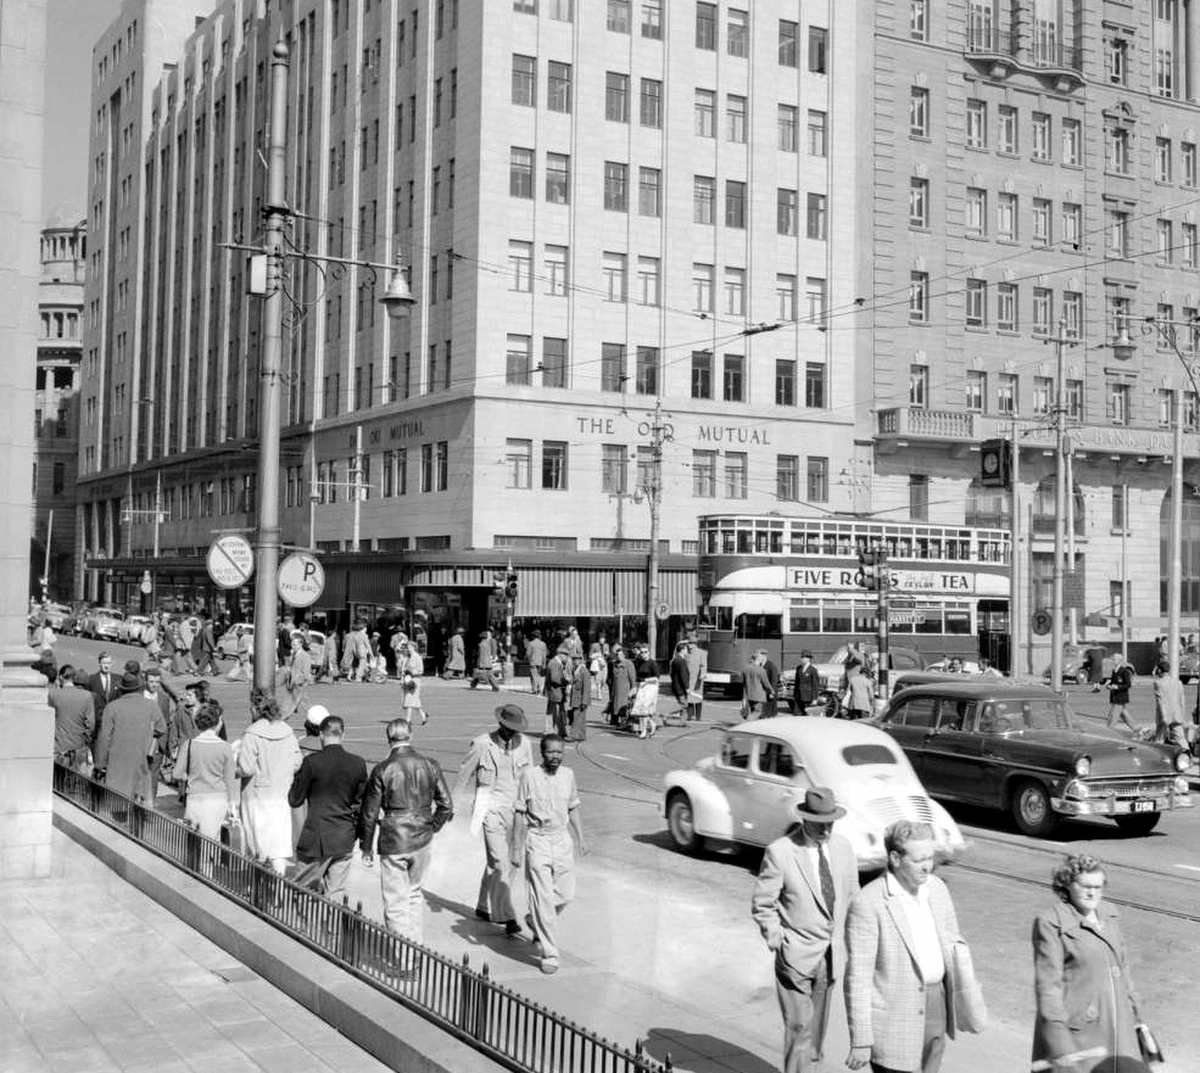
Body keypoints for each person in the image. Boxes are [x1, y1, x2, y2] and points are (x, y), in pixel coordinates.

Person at [752, 788, 860, 1073]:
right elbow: (764, 903)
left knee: (816, 1037)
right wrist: (777, 939)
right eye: (819, 823)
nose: (826, 829)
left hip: (831, 957)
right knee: (800, 1028)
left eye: (830, 822)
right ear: (804, 819)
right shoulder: (781, 852)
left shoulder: (844, 848)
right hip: (796, 958)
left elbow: (853, 897)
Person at [845, 820, 965, 1073]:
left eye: (931, 858)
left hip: (936, 1007)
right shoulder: (869, 903)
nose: (928, 866)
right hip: (893, 1020)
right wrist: (861, 1039)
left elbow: (954, 944)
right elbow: (858, 978)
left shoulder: (938, 889)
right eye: (919, 859)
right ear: (896, 858)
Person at [1032, 854, 1148, 1073]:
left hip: (1120, 1032)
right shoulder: (1052, 922)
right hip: (1079, 1040)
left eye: (1098, 886)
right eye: (1085, 886)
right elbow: (1048, 988)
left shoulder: (1110, 915)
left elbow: (1124, 970)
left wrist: (1138, 1019)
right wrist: (1060, 1044)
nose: (1092, 892)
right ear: (1066, 884)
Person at [360, 718, 454, 942]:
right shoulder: (430, 764)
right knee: (414, 895)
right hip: (422, 835)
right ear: (410, 736)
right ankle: (416, 946)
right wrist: (432, 827)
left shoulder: (382, 769)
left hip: (394, 836)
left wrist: (366, 846)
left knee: (395, 902)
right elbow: (446, 805)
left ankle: (405, 957)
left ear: (388, 738)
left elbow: (370, 813)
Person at [455, 703, 535, 936]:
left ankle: (482, 905)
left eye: (516, 728)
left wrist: (534, 807)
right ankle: (507, 916)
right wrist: (452, 804)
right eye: (509, 728)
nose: (513, 732)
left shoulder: (525, 745)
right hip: (489, 807)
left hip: (517, 810)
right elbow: (464, 773)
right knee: (499, 861)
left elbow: (530, 778)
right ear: (501, 724)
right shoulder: (482, 743)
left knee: (505, 863)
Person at [511, 734, 586, 975]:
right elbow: (520, 813)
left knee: (565, 893)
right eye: (551, 752)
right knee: (542, 898)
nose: (555, 757)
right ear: (542, 753)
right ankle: (550, 953)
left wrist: (580, 838)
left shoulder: (568, 775)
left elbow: (573, 806)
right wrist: (516, 847)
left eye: (559, 752)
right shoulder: (529, 777)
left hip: (561, 839)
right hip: (538, 840)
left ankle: (536, 919)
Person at [288, 712, 368, 901]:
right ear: (343, 735)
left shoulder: (312, 762)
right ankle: (331, 928)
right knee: (336, 891)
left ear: (321, 735)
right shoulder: (358, 763)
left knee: (304, 889)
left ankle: (305, 926)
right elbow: (361, 802)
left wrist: (295, 776)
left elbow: (295, 799)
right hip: (344, 835)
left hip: (316, 835)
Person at [237, 690, 303, 873]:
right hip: (281, 792)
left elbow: (247, 768)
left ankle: (257, 885)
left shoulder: (253, 733)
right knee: (279, 845)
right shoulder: (287, 732)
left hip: (257, 795)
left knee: (257, 841)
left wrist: (235, 769)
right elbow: (297, 761)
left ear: (254, 709)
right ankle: (279, 887)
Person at [93, 671, 168, 805]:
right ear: (139, 687)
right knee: (140, 800)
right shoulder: (151, 705)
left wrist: (100, 764)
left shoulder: (112, 707)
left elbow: (104, 738)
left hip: (117, 759)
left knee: (117, 802)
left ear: (121, 689)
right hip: (141, 758)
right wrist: (147, 734)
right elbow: (162, 728)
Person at [175, 699, 238, 840]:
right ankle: (209, 862)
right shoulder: (225, 747)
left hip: (194, 798)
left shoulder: (189, 745)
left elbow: (177, 773)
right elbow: (230, 780)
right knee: (212, 840)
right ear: (217, 724)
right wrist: (233, 805)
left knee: (194, 840)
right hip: (217, 799)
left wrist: (190, 775)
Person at [49, 665, 96, 771]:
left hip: (58, 747)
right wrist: (85, 740)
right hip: (78, 748)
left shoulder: (53, 694)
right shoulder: (87, 696)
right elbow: (90, 725)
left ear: (61, 677)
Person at [1151, 659, 1186, 746]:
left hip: (1165, 716)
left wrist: (1164, 716)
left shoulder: (1158, 683)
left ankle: (1158, 757)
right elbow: (1182, 701)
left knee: (1159, 738)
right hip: (1177, 715)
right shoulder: (1178, 682)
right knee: (1180, 738)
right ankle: (1187, 754)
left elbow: (1161, 701)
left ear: (1159, 670)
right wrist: (1182, 715)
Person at [630, 643, 661, 738]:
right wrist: (634, 688)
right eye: (642, 652)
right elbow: (637, 677)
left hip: (651, 688)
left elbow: (657, 678)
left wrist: (646, 681)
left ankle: (643, 731)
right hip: (641, 687)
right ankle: (652, 724)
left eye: (645, 652)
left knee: (644, 709)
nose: (643, 654)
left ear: (649, 653)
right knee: (640, 710)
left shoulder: (653, 663)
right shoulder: (639, 662)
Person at [282, 632, 312, 723]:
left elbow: (306, 674)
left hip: (299, 686)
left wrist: (298, 681)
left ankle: (280, 722)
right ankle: (318, 721)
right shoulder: (295, 655)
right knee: (304, 706)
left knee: (290, 705)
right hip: (294, 685)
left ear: (300, 644)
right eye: (292, 644)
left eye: (294, 644)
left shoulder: (305, 656)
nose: (292, 646)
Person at [396, 641, 427, 725]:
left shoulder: (417, 657)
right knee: (414, 700)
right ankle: (423, 715)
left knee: (410, 699)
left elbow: (421, 670)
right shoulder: (408, 657)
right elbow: (403, 668)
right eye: (407, 647)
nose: (408, 649)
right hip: (408, 679)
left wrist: (412, 672)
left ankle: (408, 720)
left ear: (413, 647)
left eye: (409, 647)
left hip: (415, 680)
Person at [544, 644, 571, 736]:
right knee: (556, 713)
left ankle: (559, 731)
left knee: (557, 712)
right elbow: (555, 679)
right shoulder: (554, 663)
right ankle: (554, 732)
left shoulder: (556, 662)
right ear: (560, 654)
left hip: (556, 692)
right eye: (566, 655)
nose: (567, 658)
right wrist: (566, 682)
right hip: (555, 692)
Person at [607, 645, 636, 727]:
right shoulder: (614, 664)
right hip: (615, 689)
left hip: (625, 690)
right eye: (617, 654)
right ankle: (615, 720)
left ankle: (624, 723)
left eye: (620, 654)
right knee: (615, 705)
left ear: (624, 655)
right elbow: (612, 677)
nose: (618, 656)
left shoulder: (629, 664)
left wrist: (633, 688)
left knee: (624, 706)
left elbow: (632, 677)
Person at [1106, 655, 1135, 733]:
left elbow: (1128, 684)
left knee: (1112, 717)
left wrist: (1117, 687)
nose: (1112, 661)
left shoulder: (1124, 671)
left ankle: (1108, 732)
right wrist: (1109, 685)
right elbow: (1113, 682)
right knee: (1125, 717)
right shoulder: (1114, 671)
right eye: (1112, 659)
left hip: (1120, 698)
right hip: (1115, 697)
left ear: (1119, 661)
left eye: (1114, 659)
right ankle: (1137, 730)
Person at [567, 651, 591, 741]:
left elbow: (587, 688)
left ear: (581, 660)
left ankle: (573, 735)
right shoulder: (576, 671)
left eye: (576, 660)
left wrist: (584, 702)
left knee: (576, 718)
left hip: (580, 700)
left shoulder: (584, 672)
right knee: (580, 718)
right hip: (576, 699)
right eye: (573, 660)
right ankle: (581, 735)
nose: (574, 661)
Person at [743, 650, 773, 719]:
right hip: (759, 696)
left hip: (749, 694)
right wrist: (772, 691)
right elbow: (766, 683)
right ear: (759, 660)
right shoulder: (761, 670)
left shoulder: (746, 668)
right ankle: (747, 723)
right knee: (757, 712)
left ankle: (751, 724)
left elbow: (743, 681)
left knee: (753, 710)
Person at [686, 635, 707, 721]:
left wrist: (702, 674)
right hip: (688, 678)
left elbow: (703, 665)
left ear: (695, 644)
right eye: (689, 643)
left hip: (697, 679)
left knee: (698, 697)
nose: (689, 645)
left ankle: (698, 716)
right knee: (689, 698)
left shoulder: (702, 653)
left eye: (691, 643)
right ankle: (690, 715)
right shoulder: (686, 653)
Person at [793, 651, 822, 716]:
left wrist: (815, 698)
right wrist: (795, 695)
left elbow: (815, 685)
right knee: (797, 715)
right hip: (798, 697)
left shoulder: (813, 670)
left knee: (808, 716)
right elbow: (797, 682)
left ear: (808, 659)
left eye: (804, 657)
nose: (802, 659)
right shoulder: (799, 668)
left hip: (808, 697)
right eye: (801, 657)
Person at [669, 641, 692, 722]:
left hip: (676, 686)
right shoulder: (681, 661)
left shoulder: (675, 660)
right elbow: (683, 675)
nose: (687, 651)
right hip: (680, 687)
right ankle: (668, 716)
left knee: (683, 705)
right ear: (682, 650)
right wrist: (687, 687)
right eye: (686, 649)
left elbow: (671, 674)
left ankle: (683, 722)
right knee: (683, 705)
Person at [526, 629, 547, 696]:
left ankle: (536, 688)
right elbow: (544, 655)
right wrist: (544, 664)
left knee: (534, 675)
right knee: (538, 675)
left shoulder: (530, 643)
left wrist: (528, 659)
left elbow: (528, 654)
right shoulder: (543, 644)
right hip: (540, 662)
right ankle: (536, 688)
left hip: (533, 661)